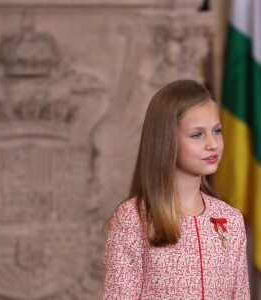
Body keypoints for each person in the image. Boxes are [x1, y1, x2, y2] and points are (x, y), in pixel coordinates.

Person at [102, 79, 250, 299]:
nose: (213, 144)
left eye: (216, 131)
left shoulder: (231, 220)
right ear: (166, 140)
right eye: (197, 134)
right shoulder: (134, 218)